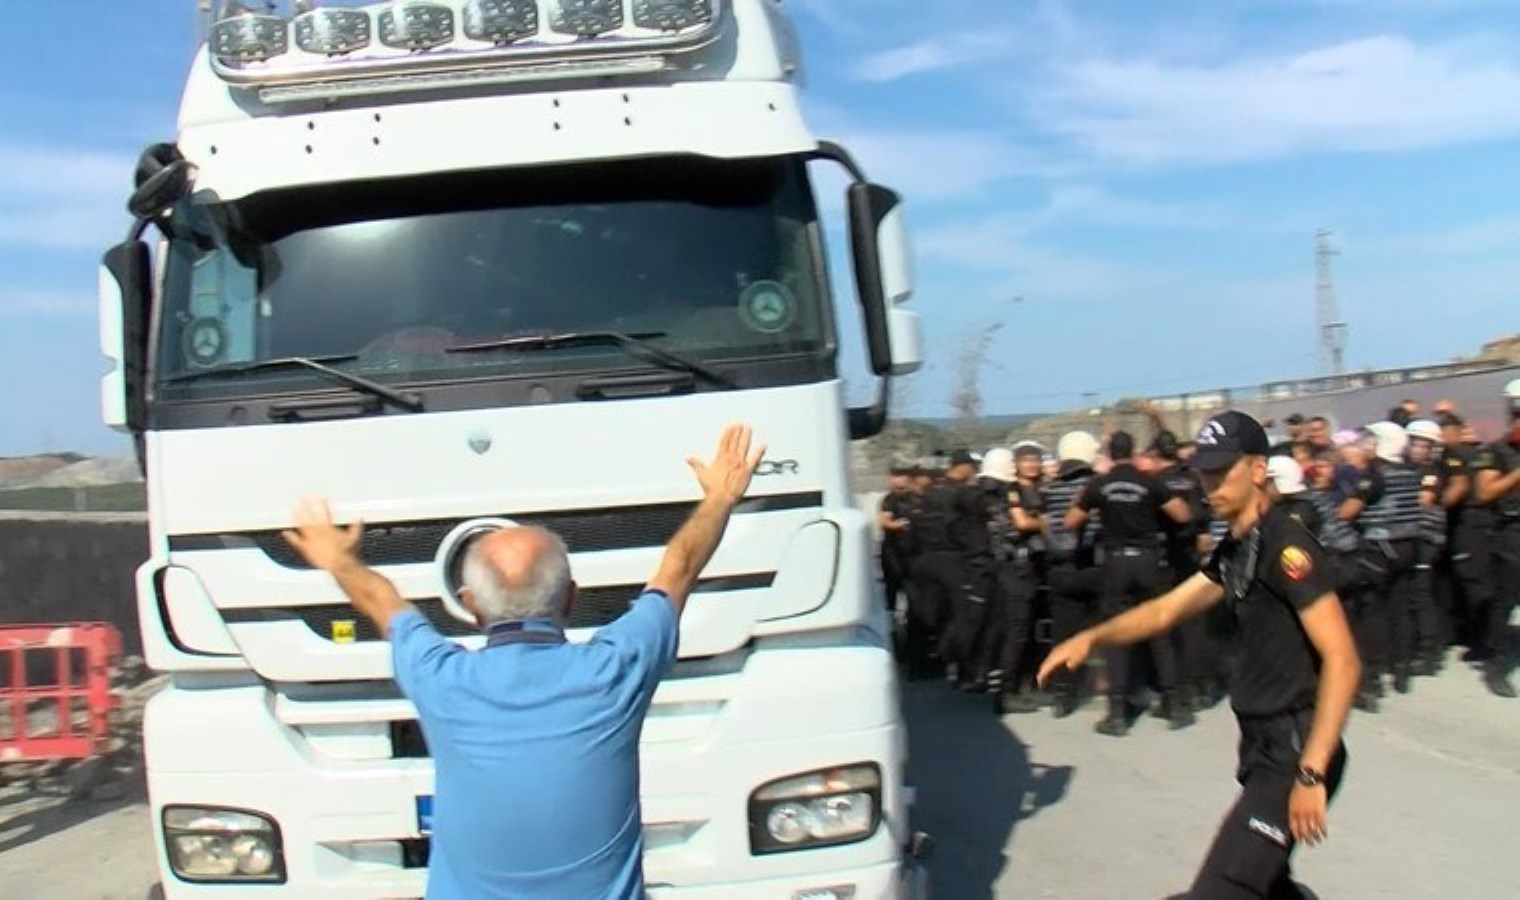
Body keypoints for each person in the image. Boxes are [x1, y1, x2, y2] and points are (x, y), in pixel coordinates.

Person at [280, 424, 765, 899]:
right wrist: (720, 497)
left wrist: (336, 558)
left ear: (470, 606)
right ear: (570, 599)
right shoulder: (614, 672)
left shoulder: (440, 678)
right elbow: (678, 567)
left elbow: (382, 601)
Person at [1040, 411, 1361, 899]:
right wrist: (1091, 638)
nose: (1209, 486)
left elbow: (1343, 659)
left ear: (1257, 469)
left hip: (1296, 752)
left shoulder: (1287, 547)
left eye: (1221, 473)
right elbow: (1167, 610)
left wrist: (1311, 771)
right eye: (1204, 473)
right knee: (1264, 882)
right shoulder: (1237, 547)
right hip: (1261, 747)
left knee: (1222, 890)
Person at [1065, 430, 1194, 734]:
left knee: (1118, 633)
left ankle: (1118, 713)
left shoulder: (1099, 484)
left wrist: (1092, 504)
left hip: (1116, 563)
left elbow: (1071, 522)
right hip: (1149, 560)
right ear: (1133, 451)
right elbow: (1182, 514)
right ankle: (1173, 704)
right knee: (1159, 630)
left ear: (1110, 453)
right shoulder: (1149, 481)